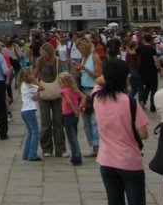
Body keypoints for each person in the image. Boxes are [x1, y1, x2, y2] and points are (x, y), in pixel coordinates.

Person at [94, 59, 149, 205]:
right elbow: (143, 134)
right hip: (129, 161)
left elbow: (98, 80)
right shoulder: (129, 102)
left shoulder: (97, 97)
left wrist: (108, 75)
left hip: (106, 160)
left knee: (114, 201)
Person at [36, 42, 67, 158]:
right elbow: (36, 76)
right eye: (42, 55)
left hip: (57, 92)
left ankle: (61, 148)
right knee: (46, 121)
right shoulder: (40, 61)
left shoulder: (58, 61)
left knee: (58, 121)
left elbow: (64, 75)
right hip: (43, 92)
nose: (44, 57)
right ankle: (46, 148)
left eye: (45, 55)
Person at [74, 36, 101, 157]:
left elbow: (98, 76)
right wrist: (78, 71)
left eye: (81, 49)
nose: (79, 51)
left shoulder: (94, 57)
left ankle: (98, 146)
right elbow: (81, 75)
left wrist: (84, 68)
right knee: (86, 121)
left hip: (93, 90)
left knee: (94, 120)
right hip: (83, 90)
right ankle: (93, 145)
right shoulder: (82, 58)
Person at [58, 71, 85, 166]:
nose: (60, 84)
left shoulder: (64, 91)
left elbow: (68, 102)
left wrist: (74, 110)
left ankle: (76, 158)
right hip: (74, 116)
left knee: (71, 138)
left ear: (64, 82)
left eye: (60, 82)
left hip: (68, 115)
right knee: (74, 137)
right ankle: (76, 156)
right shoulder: (74, 89)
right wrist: (79, 108)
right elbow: (84, 97)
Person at [19, 67, 42, 161]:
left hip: (24, 110)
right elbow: (42, 87)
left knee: (30, 133)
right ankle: (32, 154)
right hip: (30, 109)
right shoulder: (30, 85)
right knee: (35, 132)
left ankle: (26, 154)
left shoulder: (22, 85)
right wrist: (35, 79)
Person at [137, 32, 160, 112]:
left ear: (144, 40)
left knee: (146, 87)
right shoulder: (152, 49)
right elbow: (155, 60)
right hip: (152, 70)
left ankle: (143, 101)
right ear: (151, 40)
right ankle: (153, 106)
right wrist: (159, 68)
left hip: (143, 70)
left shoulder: (140, 48)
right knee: (153, 88)